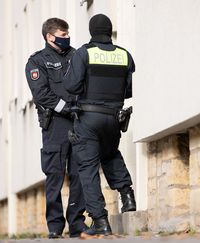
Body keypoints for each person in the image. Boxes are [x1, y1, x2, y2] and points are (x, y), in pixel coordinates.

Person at [62, 13, 136, 236]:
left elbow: (71, 86)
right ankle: (128, 196)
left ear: (92, 31)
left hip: (88, 118)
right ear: (109, 30)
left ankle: (101, 221)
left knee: (88, 168)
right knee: (111, 154)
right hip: (114, 118)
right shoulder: (125, 55)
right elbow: (129, 90)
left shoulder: (84, 53)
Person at [25, 17, 87, 238]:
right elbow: (41, 93)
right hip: (55, 125)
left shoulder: (77, 55)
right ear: (49, 36)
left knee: (80, 172)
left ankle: (77, 223)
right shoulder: (37, 62)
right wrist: (66, 107)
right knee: (54, 175)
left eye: (67, 34)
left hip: (79, 121)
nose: (66, 38)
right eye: (62, 35)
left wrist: (79, 108)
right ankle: (54, 225)